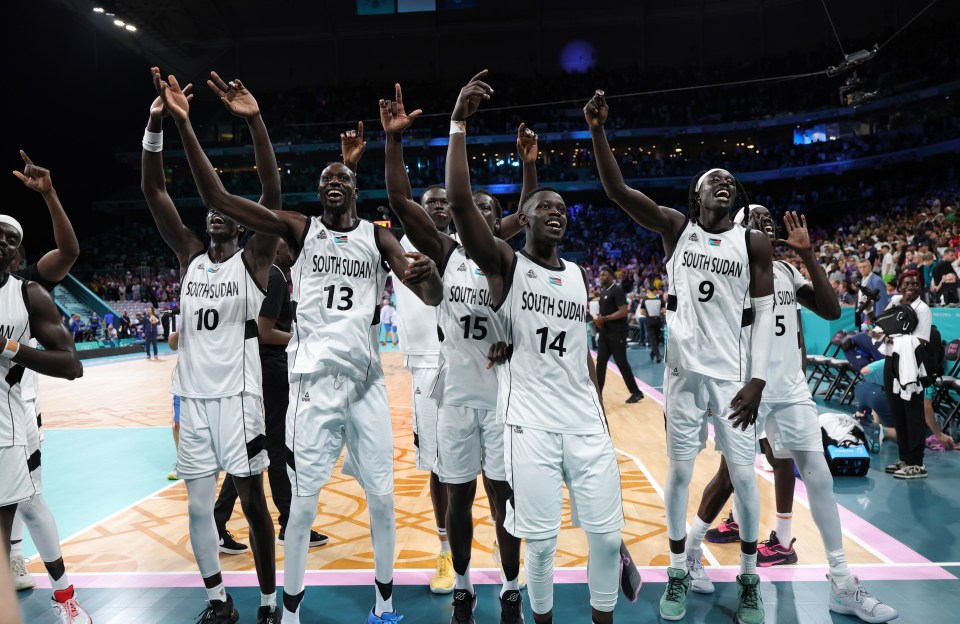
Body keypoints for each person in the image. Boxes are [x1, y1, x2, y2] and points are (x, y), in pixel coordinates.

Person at [157, 68, 443, 624]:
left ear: (355, 189)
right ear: (317, 193)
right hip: (312, 382)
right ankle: (288, 611)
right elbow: (217, 194)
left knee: (382, 498)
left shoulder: (378, 236)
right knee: (304, 502)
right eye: (325, 177)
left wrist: (429, 276)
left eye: (343, 176)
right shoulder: (298, 229)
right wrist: (202, 124)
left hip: (364, 382)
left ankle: (383, 604)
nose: (333, 181)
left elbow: (429, 294)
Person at [587, 89, 774, 624]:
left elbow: (762, 316)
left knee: (743, 476)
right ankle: (676, 570)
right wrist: (599, 131)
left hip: (735, 379)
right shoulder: (677, 228)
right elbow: (618, 190)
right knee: (678, 475)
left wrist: (758, 379)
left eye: (731, 182)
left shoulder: (753, 244)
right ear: (696, 196)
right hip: (684, 377)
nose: (725, 183)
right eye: (714, 179)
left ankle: (749, 579)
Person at [448, 71, 626, 624]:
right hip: (528, 424)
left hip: (585, 422)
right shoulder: (505, 266)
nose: (557, 211)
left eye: (563, 208)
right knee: (542, 545)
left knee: (606, 537)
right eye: (544, 205)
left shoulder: (577, 274)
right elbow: (458, 203)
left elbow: (578, 354)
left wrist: (599, 402)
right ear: (522, 218)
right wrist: (458, 123)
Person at [687, 208, 897, 623]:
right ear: (739, 229)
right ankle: (690, 555)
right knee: (731, 476)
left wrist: (809, 256)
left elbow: (831, 311)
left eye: (770, 221)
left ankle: (841, 582)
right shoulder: (725, 269)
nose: (766, 226)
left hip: (789, 391)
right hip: (745, 389)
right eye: (756, 220)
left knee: (820, 475)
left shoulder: (784, 270)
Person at [381, 82, 528, 622]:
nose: (477, 214)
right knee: (460, 498)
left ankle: (512, 582)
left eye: (490, 210)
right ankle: (464, 581)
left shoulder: (512, 261)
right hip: (456, 399)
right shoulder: (445, 253)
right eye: (473, 209)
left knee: (503, 499)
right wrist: (395, 142)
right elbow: (400, 200)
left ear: (499, 221)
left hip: (505, 403)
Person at [145, 68, 281, 624]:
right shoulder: (190, 257)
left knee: (252, 503)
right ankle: (217, 600)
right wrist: (156, 127)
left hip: (240, 398)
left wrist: (255, 123)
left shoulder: (255, 260)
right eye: (210, 209)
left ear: (240, 222)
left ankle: (270, 603)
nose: (215, 211)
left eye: (228, 208)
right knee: (199, 506)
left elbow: (270, 192)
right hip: (194, 400)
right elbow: (154, 190)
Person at [6, 154, 93, 624]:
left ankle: (58, 591)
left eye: (11, 240)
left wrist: (49, 195)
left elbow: (69, 251)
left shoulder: (27, 286)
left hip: (18, 409)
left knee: (28, 498)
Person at [213, 239, 330, 551]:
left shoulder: (276, 276)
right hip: (269, 369)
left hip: (262, 368)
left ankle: (219, 523)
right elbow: (266, 332)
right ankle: (289, 525)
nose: (296, 249)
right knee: (275, 448)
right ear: (277, 249)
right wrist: (303, 340)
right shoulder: (276, 275)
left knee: (255, 449)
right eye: (290, 245)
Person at [881, 271, 933, 479]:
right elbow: (880, 327)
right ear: (900, 286)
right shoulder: (893, 303)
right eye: (907, 283)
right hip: (891, 361)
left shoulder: (923, 310)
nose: (912, 286)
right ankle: (905, 457)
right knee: (898, 412)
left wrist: (893, 339)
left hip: (911, 364)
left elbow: (921, 341)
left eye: (916, 283)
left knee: (912, 413)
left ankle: (917, 463)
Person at [594, 265, 644, 403]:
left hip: (617, 332)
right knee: (601, 362)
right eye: (600, 275)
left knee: (621, 363)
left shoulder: (617, 290)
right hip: (605, 332)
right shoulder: (604, 292)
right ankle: (598, 394)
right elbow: (606, 312)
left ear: (611, 276)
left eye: (604, 274)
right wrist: (600, 318)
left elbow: (623, 311)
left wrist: (605, 318)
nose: (601, 277)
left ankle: (636, 392)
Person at [640, 286, 664, 362]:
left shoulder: (645, 300)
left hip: (649, 320)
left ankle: (653, 353)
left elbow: (641, 311)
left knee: (654, 339)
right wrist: (658, 313)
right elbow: (664, 310)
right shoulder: (660, 299)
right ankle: (658, 355)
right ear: (654, 291)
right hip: (657, 320)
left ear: (649, 291)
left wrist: (648, 314)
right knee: (656, 338)